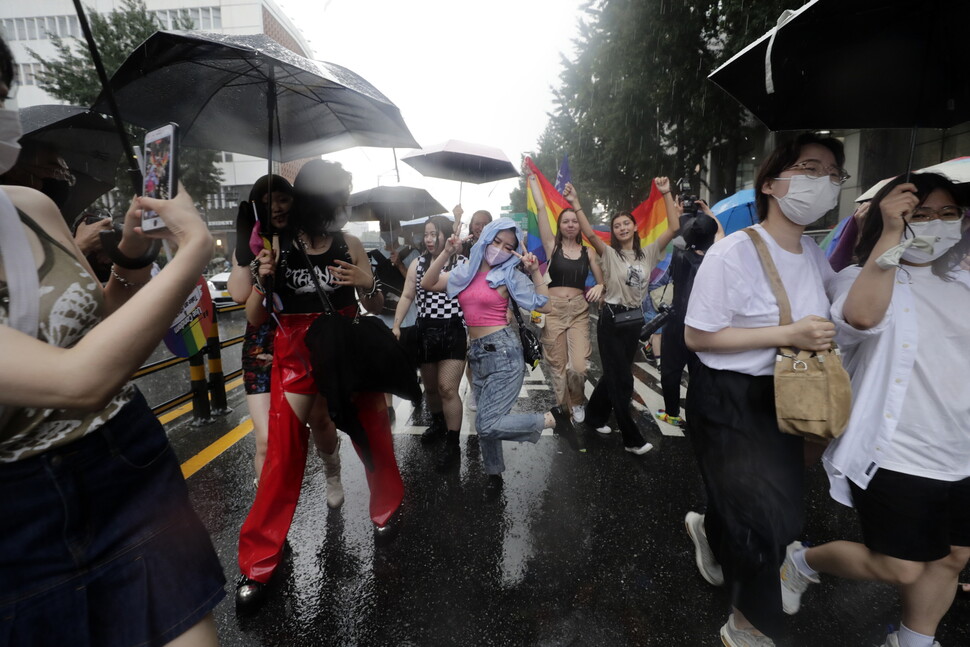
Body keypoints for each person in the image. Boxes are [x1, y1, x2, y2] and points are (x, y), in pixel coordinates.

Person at [0, 38, 224, 645]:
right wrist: (194, 251)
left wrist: (135, 251)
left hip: (123, 463)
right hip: (14, 520)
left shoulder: (28, 208)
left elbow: (94, 327)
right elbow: (78, 379)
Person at [778, 173, 970, 647]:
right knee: (899, 565)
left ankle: (912, 641)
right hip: (896, 450)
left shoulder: (965, 280)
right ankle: (803, 562)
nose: (935, 225)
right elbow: (861, 318)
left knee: (953, 558)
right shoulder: (863, 277)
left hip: (961, 450)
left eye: (947, 214)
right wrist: (889, 234)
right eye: (920, 214)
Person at [682, 132, 847, 646]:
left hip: (784, 396)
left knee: (778, 511)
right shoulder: (733, 251)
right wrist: (788, 334)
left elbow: (853, 308)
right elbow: (697, 336)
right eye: (811, 168)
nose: (824, 182)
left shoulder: (815, 255)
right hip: (727, 397)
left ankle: (709, 530)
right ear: (772, 182)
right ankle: (746, 627)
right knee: (763, 521)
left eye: (833, 174)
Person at [236, 160, 404, 610]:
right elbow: (254, 317)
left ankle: (385, 508)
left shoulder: (349, 244)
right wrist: (262, 278)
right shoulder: (279, 246)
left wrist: (368, 280)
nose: (345, 204)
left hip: (346, 347)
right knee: (282, 454)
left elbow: (372, 299)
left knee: (373, 435)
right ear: (320, 198)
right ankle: (258, 562)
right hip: (293, 354)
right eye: (340, 195)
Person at [420, 217, 580, 492]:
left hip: (504, 352)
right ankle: (494, 474)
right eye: (496, 241)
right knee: (486, 421)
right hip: (478, 354)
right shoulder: (466, 272)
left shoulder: (509, 275)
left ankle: (552, 419)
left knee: (486, 423)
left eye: (508, 246)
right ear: (485, 239)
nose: (500, 249)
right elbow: (428, 282)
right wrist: (446, 251)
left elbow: (546, 308)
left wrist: (535, 273)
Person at [226, 174, 344, 506]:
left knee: (319, 420)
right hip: (262, 345)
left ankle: (332, 472)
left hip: (303, 343)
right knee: (265, 441)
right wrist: (257, 266)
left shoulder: (306, 239)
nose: (275, 207)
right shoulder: (252, 243)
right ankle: (269, 517)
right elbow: (237, 295)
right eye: (266, 201)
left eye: (283, 199)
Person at [563, 177, 680, 454]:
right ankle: (632, 439)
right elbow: (590, 234)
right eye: (617, 225)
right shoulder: (610, 254)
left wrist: (666, 194)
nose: (622, 227)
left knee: (615, 375)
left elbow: (674, 227)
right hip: (612, 320)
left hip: (635, 322)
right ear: (614, 232)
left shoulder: (648, 252)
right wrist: (576, 204)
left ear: (634, 226)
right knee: (623, 381)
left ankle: (593, 416)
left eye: (626, 223)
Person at [523, 171, 604, 423]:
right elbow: (540, 209)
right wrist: (533, 180)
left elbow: (602, 281)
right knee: (557, 367)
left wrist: (600, 286)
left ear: (580, 225)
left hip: (579, 310)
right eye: (565, 221)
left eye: (574, 221)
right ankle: (564, 407)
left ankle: (577, 401)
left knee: (578, 367)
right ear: (560, 226)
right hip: (552, 310)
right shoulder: (552, 247)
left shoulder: (588, 252)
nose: (570, 224)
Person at [393, 214, 466, 469]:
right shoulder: (417, 263)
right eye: (426, 234)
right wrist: (396, 325)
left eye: (434, 233)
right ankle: (437, 423)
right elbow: (407, 295)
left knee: (447, 388)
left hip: (453, 329)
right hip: (425, 329)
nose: (429, 239)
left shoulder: (461, 262)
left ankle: (453, 443)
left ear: (446, 234)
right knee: (432, 389)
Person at [655, 208, 721, 427]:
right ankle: (698, 415)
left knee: (671, 369)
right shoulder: (716, 259)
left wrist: (678, 212)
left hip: (677, 319)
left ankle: (672, 413)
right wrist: (711, 215)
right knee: (699, 370)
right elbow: (719, 235)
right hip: (704, 323)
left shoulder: (679, 254)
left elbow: (678, 234)